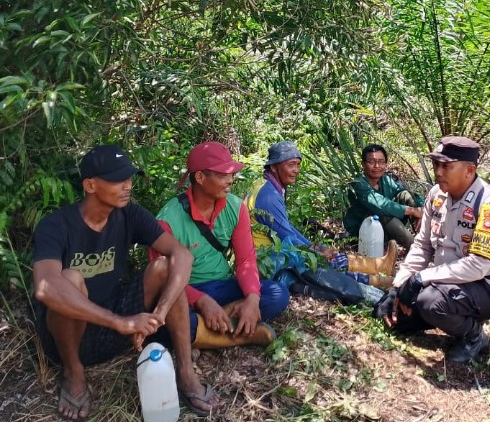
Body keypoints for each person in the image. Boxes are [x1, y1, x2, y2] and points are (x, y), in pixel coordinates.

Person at [32, 145, 218, 420]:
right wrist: (120, 322)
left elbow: (182, 255)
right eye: (118, 179)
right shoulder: (56, 225)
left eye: (129, 178)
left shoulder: (129, 213)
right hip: (69, 337)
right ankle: (74, 372)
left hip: (115, 320)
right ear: (90, 185)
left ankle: (185, 372)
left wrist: (159, 314)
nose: (128, 185)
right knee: (70, 278)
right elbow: (45, 287)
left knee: (166, 267)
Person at [378, 136, 490, 363]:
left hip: (486, 287)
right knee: (392, 316)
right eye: (436, 165)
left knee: (429, 302)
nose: (438, 172)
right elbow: (423, 245)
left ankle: (474, 336)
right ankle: (437, 309)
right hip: (447, 281)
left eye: (447, 166)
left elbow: (478, 265)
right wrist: (400, 283)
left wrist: (420, 278)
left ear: (470, 170)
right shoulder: (436, 195)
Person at [153, 141, 290, 351]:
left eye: (231, 174)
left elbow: (245, 260)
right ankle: (238, 334)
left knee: (277, 293)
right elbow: (161, 280)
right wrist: (202, 301)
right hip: (183, 294)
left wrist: (252, 300)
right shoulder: (167, 220)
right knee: (165, 326)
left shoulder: (235, 208)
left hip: (222, 286)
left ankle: (209, 328)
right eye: (223, 175)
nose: (231, 180)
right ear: (200, 177)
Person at [249, 141, 397, 287]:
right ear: (274, 167)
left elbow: (286, 227)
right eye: (291, 165)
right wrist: (316, 252)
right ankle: (378, 281)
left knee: (323, 255)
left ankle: (379, 265)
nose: (296, 170)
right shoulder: (268, 196)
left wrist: (315, 247)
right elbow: (287, 236)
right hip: (266, 262)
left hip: (269, 255)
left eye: (297, 165)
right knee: (320, 264)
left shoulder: (268, 186)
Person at [342, 144, 423, 248]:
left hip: (385, 231)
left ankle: (425, 240)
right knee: (382, 213)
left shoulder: (386, 180)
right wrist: (413, 211)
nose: (377, 166)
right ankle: (415, 249)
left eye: (381, 162)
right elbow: (380, 205)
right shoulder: (358, 184)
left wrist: (421, 210)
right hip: (362, 235)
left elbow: (407, 193)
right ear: (363, 164)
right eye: (371, 162)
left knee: (406, 195)